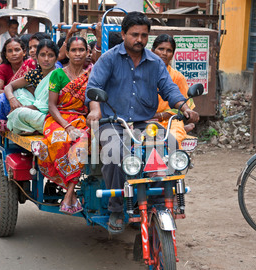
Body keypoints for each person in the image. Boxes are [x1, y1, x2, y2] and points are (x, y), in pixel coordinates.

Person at [85, 11, 199, 233]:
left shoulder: (155, 62)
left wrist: (184, 107)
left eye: (144, 35)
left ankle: (158, 204)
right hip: (113, 121)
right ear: (124, 33)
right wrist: (96, 110)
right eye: (134, 34)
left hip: (144, 123)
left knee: (169, 148)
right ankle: (117, 208)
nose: (139, 39)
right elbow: (93, 87)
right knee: (114, 153)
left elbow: (169, 89)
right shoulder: (109, 58)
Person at [37, 35, 93, 215]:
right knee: (60, 142)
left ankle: (69, 193)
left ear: (87, 52)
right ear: (67, 52)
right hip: (57, 119)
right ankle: (71, 193)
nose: (78, 54)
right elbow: (52, 106)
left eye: (81, 50)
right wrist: (67, 127)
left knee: (82, 143)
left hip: (80, 119)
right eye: (74, 50)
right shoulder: (57, 74)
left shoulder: (91, 75)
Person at [2, 39, 59, 135]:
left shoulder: (58, 75)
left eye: (50, 55)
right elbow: (9, 86)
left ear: (56, 58)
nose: (46, 59)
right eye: (42, 55)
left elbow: (44, 108)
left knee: (19, 113)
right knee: (19, 91)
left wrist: (20, 108)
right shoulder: (35, 74)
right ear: (36, 57)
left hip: (48, 117)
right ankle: (28, 126)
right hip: (33, 111)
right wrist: (12, 99)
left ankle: (27, 126)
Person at [151, 34, 197, 147]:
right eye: (161, 49)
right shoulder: (141, 73)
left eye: (169, 50)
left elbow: (186, 107)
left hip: (171, 121)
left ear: (172, 55)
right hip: (145, 120)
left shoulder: (177, 77)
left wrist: (161, 115)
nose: (164, 53)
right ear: (152, 51)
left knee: (173, 139)